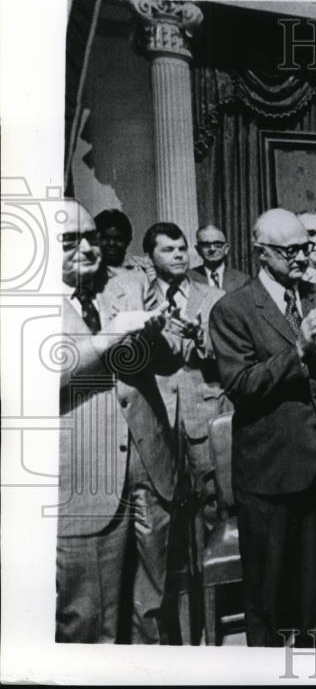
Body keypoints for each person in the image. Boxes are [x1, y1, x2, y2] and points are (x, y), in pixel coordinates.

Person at [209, 209, 316, 647]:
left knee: (308, 575)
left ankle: (312, 649)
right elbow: (241, 386)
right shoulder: (233, 309)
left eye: (306, 247)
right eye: (291, 250)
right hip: (269, 469)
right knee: (267, 588)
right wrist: (297, 351)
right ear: (261, 252)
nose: (303, 256)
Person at [56, 201, 178, 643]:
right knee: (89, 620)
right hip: (85, 479)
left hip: (148, 461)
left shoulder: (129, 282)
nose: (88, 247)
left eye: (91, 236)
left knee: (152, 607)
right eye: (71, 240)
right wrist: (111, 336)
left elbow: (167, 361)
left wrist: (155, 336)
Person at [144, 222, 230, 536]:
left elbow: (230, 355)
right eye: (168, 250)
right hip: (159, 417)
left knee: (213, 500)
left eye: (182, 248)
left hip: (205, 412)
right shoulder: (140, 301)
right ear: (150, 257)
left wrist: (202, 338)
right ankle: (185, 583)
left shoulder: (214, 297)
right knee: (167, 508)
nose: (179, 255)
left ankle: (216, 580)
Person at [94, 207, 152, 282]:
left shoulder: (144, 268)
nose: (111, 243)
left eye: (118, 239)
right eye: (105, 238)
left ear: (128, 241)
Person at [190, 224, 250, 293]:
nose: (212, 249)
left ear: (226, 249)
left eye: (217, 244)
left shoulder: (242, 280)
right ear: (198, 250)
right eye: (206, 245)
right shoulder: (188, 278)